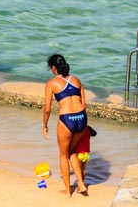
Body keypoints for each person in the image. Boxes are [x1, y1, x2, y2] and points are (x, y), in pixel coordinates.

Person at [43, 53, 89, 196]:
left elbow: (47, 109)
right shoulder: (76, 80)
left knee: (63, 155)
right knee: (71, 152)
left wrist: (44, 125)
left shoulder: (51, 83)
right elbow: (83, 104)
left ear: (53, 68)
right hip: (82, 118)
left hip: (67, 119)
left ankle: (68, 191)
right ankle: (81, 184)